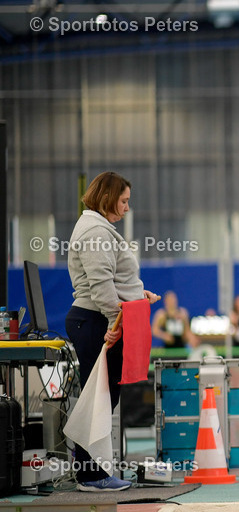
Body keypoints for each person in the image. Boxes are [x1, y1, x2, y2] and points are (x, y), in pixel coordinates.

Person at [65, 171, 159, 491]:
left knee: (103, 399)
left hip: (99, 319)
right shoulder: (95, 230)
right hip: (96, 321)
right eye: (123, 201)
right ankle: (91, 476)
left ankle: (92, 473)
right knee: (100, 401)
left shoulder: (99, 228)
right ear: (108, 199)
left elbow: (112, 281)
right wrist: (112, 322)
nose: (127, 208)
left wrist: (137, 296)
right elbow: (101, 283)